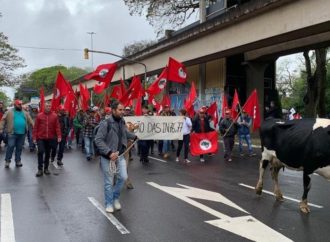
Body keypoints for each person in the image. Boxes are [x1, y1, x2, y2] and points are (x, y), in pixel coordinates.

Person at [94, 101, 136, 213]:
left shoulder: (122, 121)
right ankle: (108, 203)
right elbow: (98, 140)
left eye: (123, 110)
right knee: (108, 181)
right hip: (107, 157)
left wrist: (135, 136)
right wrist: (109, 153)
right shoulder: (105, 123)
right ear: (113, 110)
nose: (123, 112)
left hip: (120, 155)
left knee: (122, 177)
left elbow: (125, 134)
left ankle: (115, 198)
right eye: (120, 110)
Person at [0, 99, 34, 168]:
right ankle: (7, 161)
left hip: (22, 133)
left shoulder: (25, 112)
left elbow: (30, 120)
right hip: (12, 133)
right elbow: (3, 120)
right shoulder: (9, 112)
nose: (20, 105)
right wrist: (1, 128)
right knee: (10, 146)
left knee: (19, 148)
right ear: (15, 105)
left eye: (21, 104)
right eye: (19, 104)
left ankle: (18, 161)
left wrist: (34, 126)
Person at [33, 102, 61, 177]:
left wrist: (59, 136)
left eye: (49, 106)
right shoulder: (39, 116)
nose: (48, 107)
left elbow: (57, 127)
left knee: (48, 153)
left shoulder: (54, 116)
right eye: (47, 106)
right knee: (41, 152)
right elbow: (35, 127)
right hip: (40, 138)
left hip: (50, 138)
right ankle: (40, 169)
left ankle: (46, 168)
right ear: (44, 107)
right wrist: (34, 137)